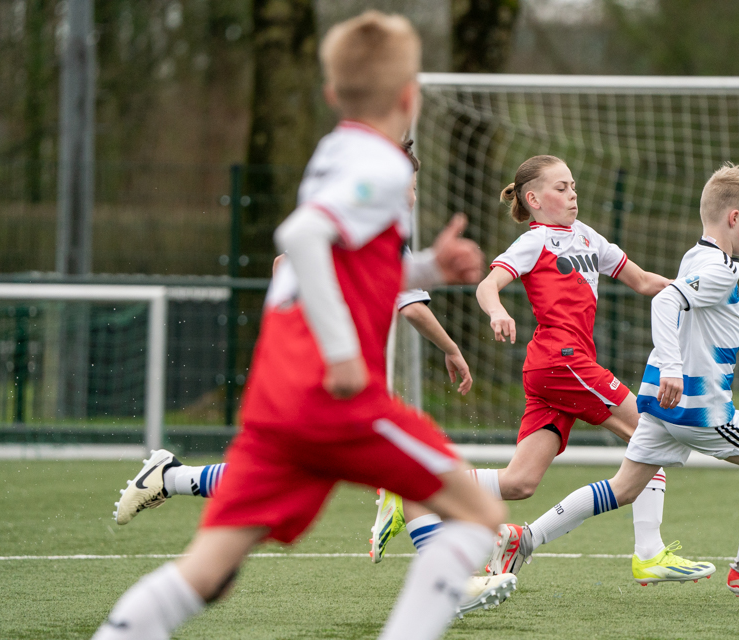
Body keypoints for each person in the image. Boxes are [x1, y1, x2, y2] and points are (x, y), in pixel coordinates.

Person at [91, 12, 514, 640]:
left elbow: (335, 263)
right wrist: (343, 354)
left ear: (331, 96)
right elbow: (302, 238)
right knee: (478, 515)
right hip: (333, 395)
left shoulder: (333, 153)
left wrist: (427, 266)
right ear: (409, 97)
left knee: (208, 569)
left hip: (278, 394)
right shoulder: (388, 168)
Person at [374, 155, 715, 588]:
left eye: (573, 185)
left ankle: (417, 488)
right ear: (533, 199)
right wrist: (497, 312)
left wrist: (698, 293)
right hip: (563, 361)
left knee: (519, 482)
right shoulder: (534, 242)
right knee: (652, 435)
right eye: (560, 187)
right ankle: (648, 554)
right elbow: (487, 284)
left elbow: (645, 281)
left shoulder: (589, 238)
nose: (572, 193)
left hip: (556, 371)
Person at [501, 162, 739, 598]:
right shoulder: (718, 268)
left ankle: (525, 539)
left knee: (623, 488)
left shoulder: (699, 256)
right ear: (734, 218)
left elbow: (704, 321)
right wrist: (674, 368)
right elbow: (666, 302)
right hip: (701, 407)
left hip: (657, 403)